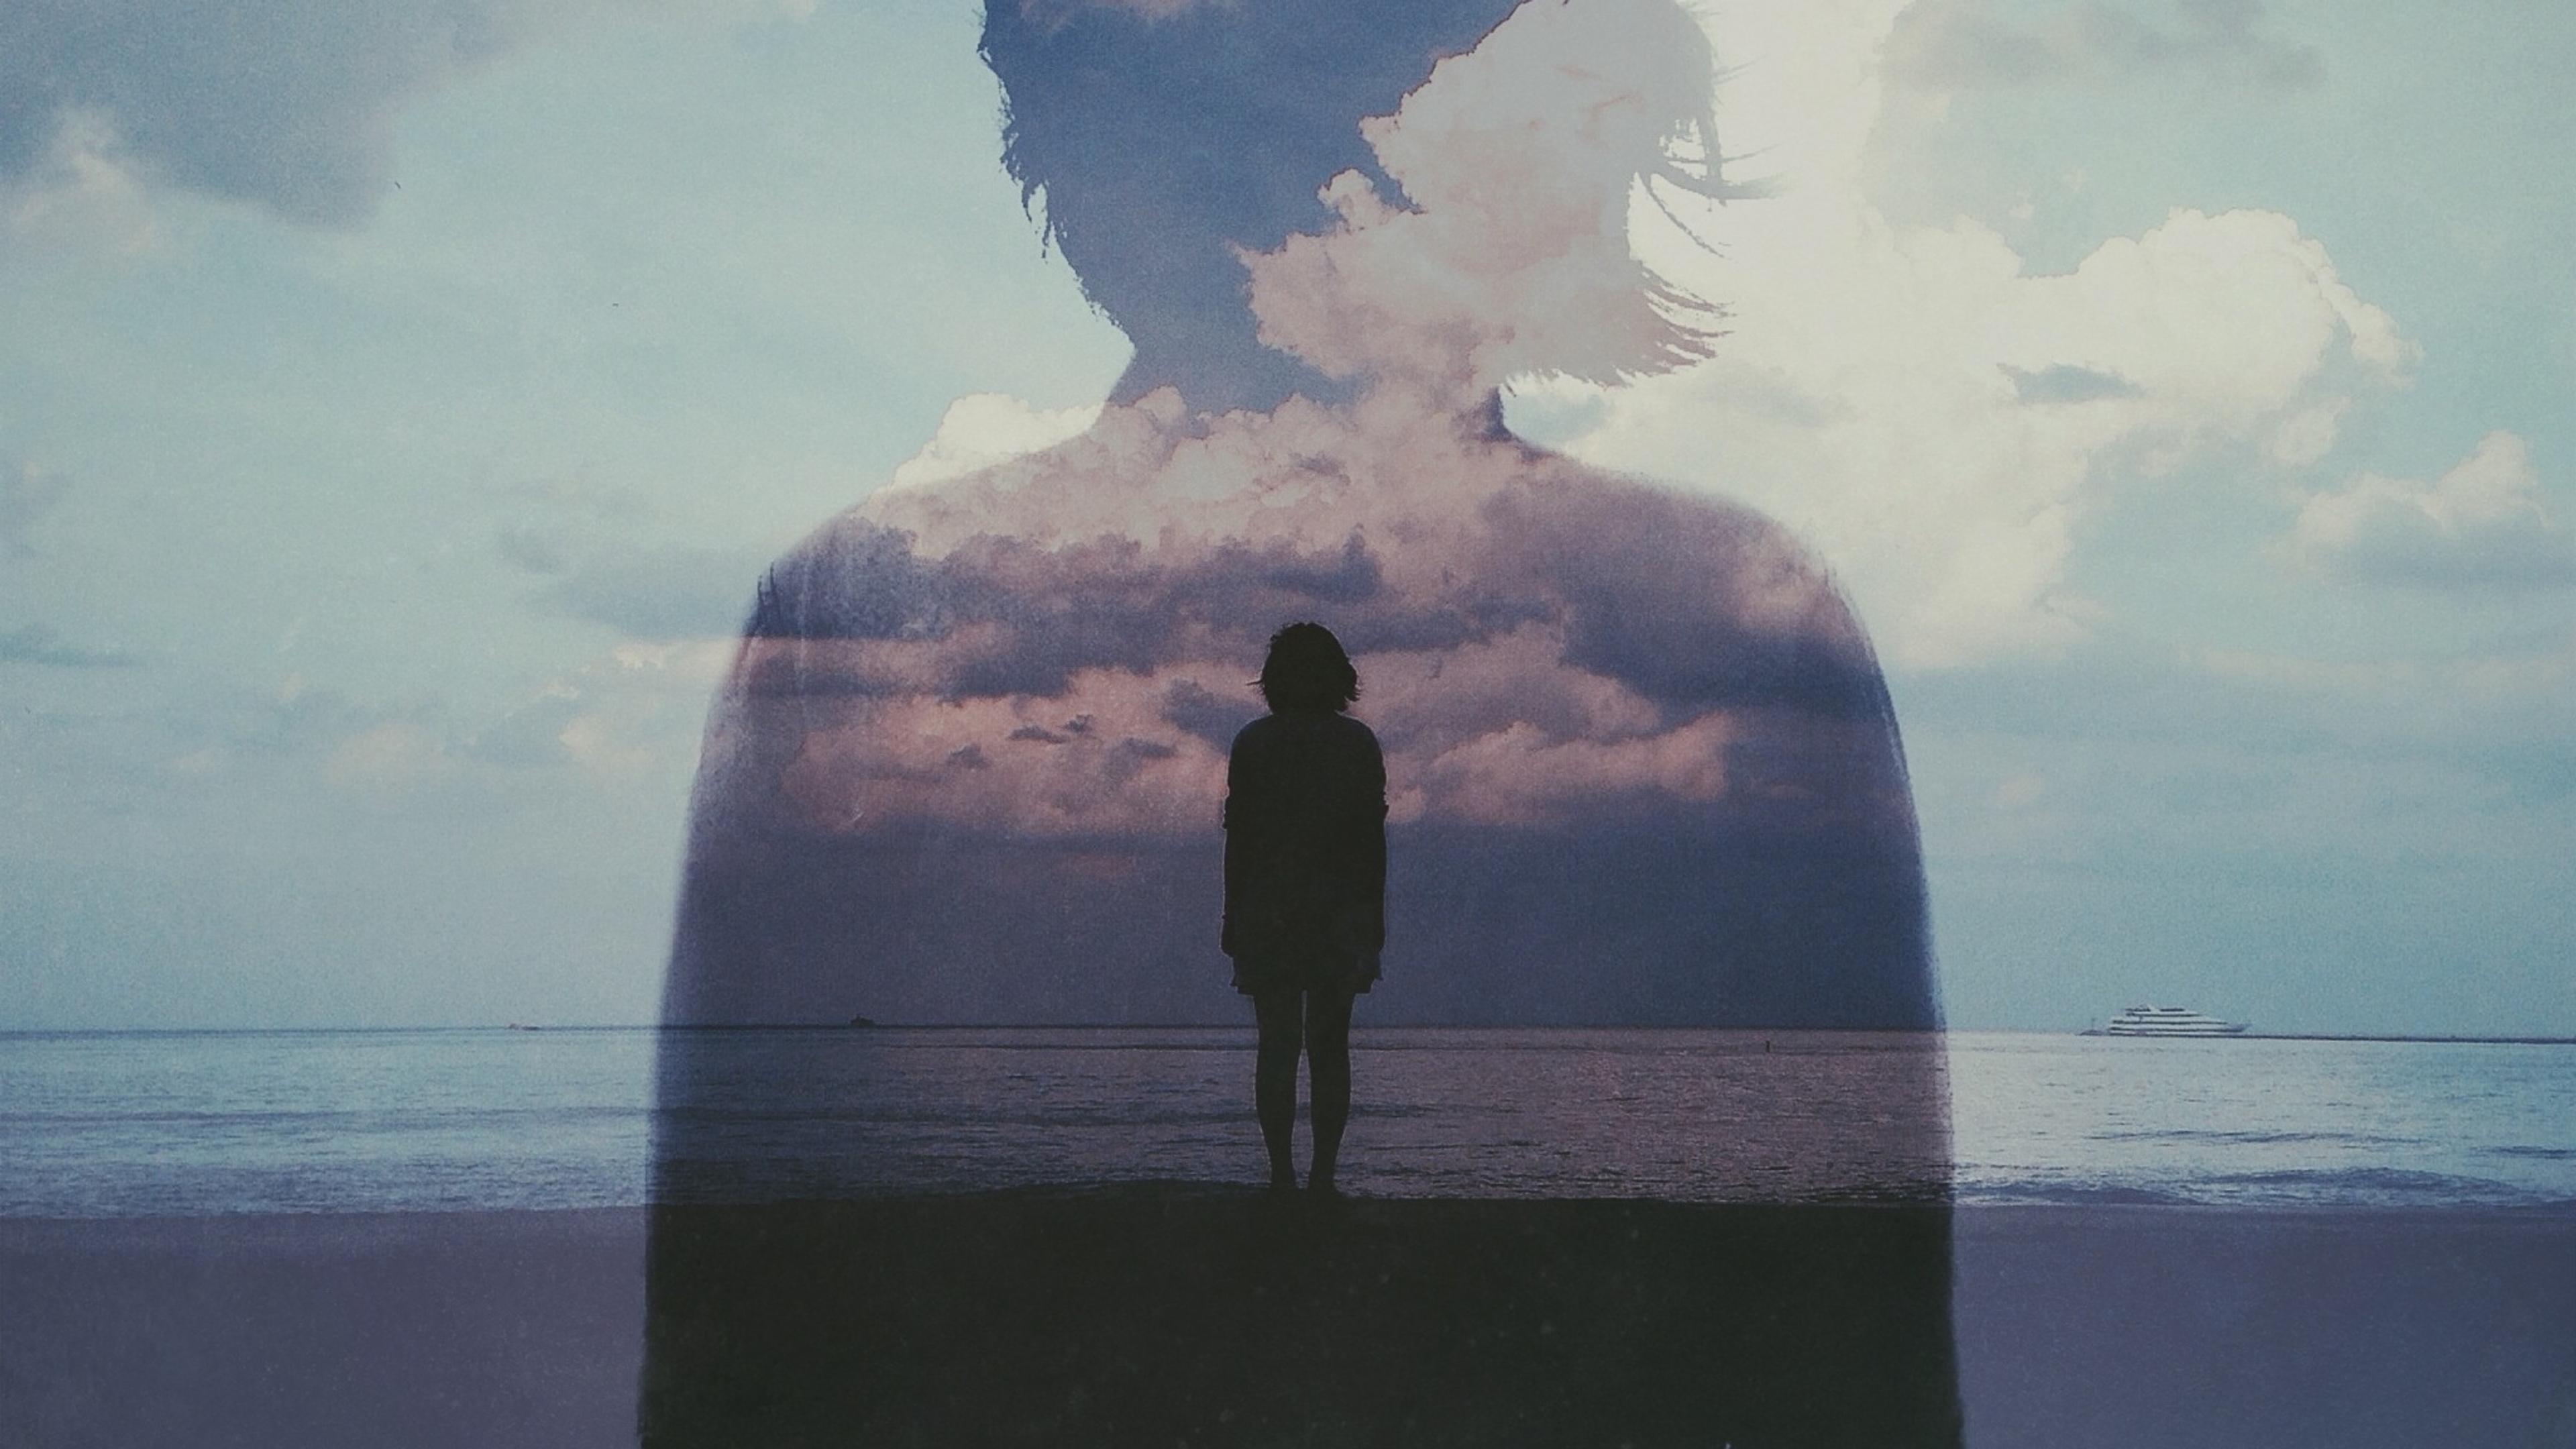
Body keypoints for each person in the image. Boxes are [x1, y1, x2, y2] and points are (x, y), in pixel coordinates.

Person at [1222, 623, 1387, 1194]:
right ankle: (1321, 1177)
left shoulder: (1254, 743)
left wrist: (1231, 912)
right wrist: (1375, 915)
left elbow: (1238, 839)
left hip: (1268, 909)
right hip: (1339, 911)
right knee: (1328, 1046)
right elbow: (1371, 841)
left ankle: (1282, 1176)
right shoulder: (1357, 745)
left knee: (1277, 1044)